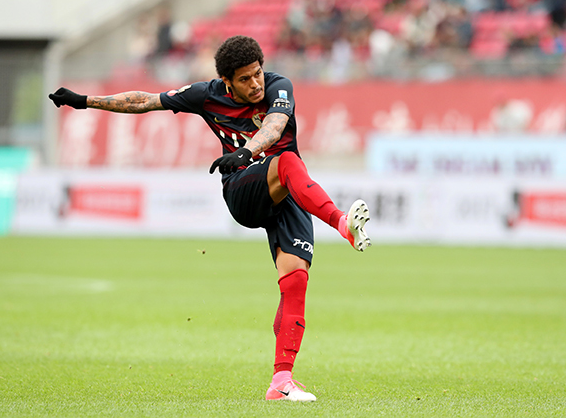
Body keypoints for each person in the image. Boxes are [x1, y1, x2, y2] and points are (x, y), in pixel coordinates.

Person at [49, 35, 371, 402]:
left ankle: (281, 382)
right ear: (228, 82)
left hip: (288, 191)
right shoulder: (205, 95)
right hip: (242, 190)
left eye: (258, 74)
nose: (256, 84)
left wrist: (247, 149)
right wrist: (85, 101)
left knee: (295, 278)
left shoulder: (279, 86)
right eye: (246, 79)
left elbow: (276, 126)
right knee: (288, 162)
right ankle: (343, 224)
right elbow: (146, 101)